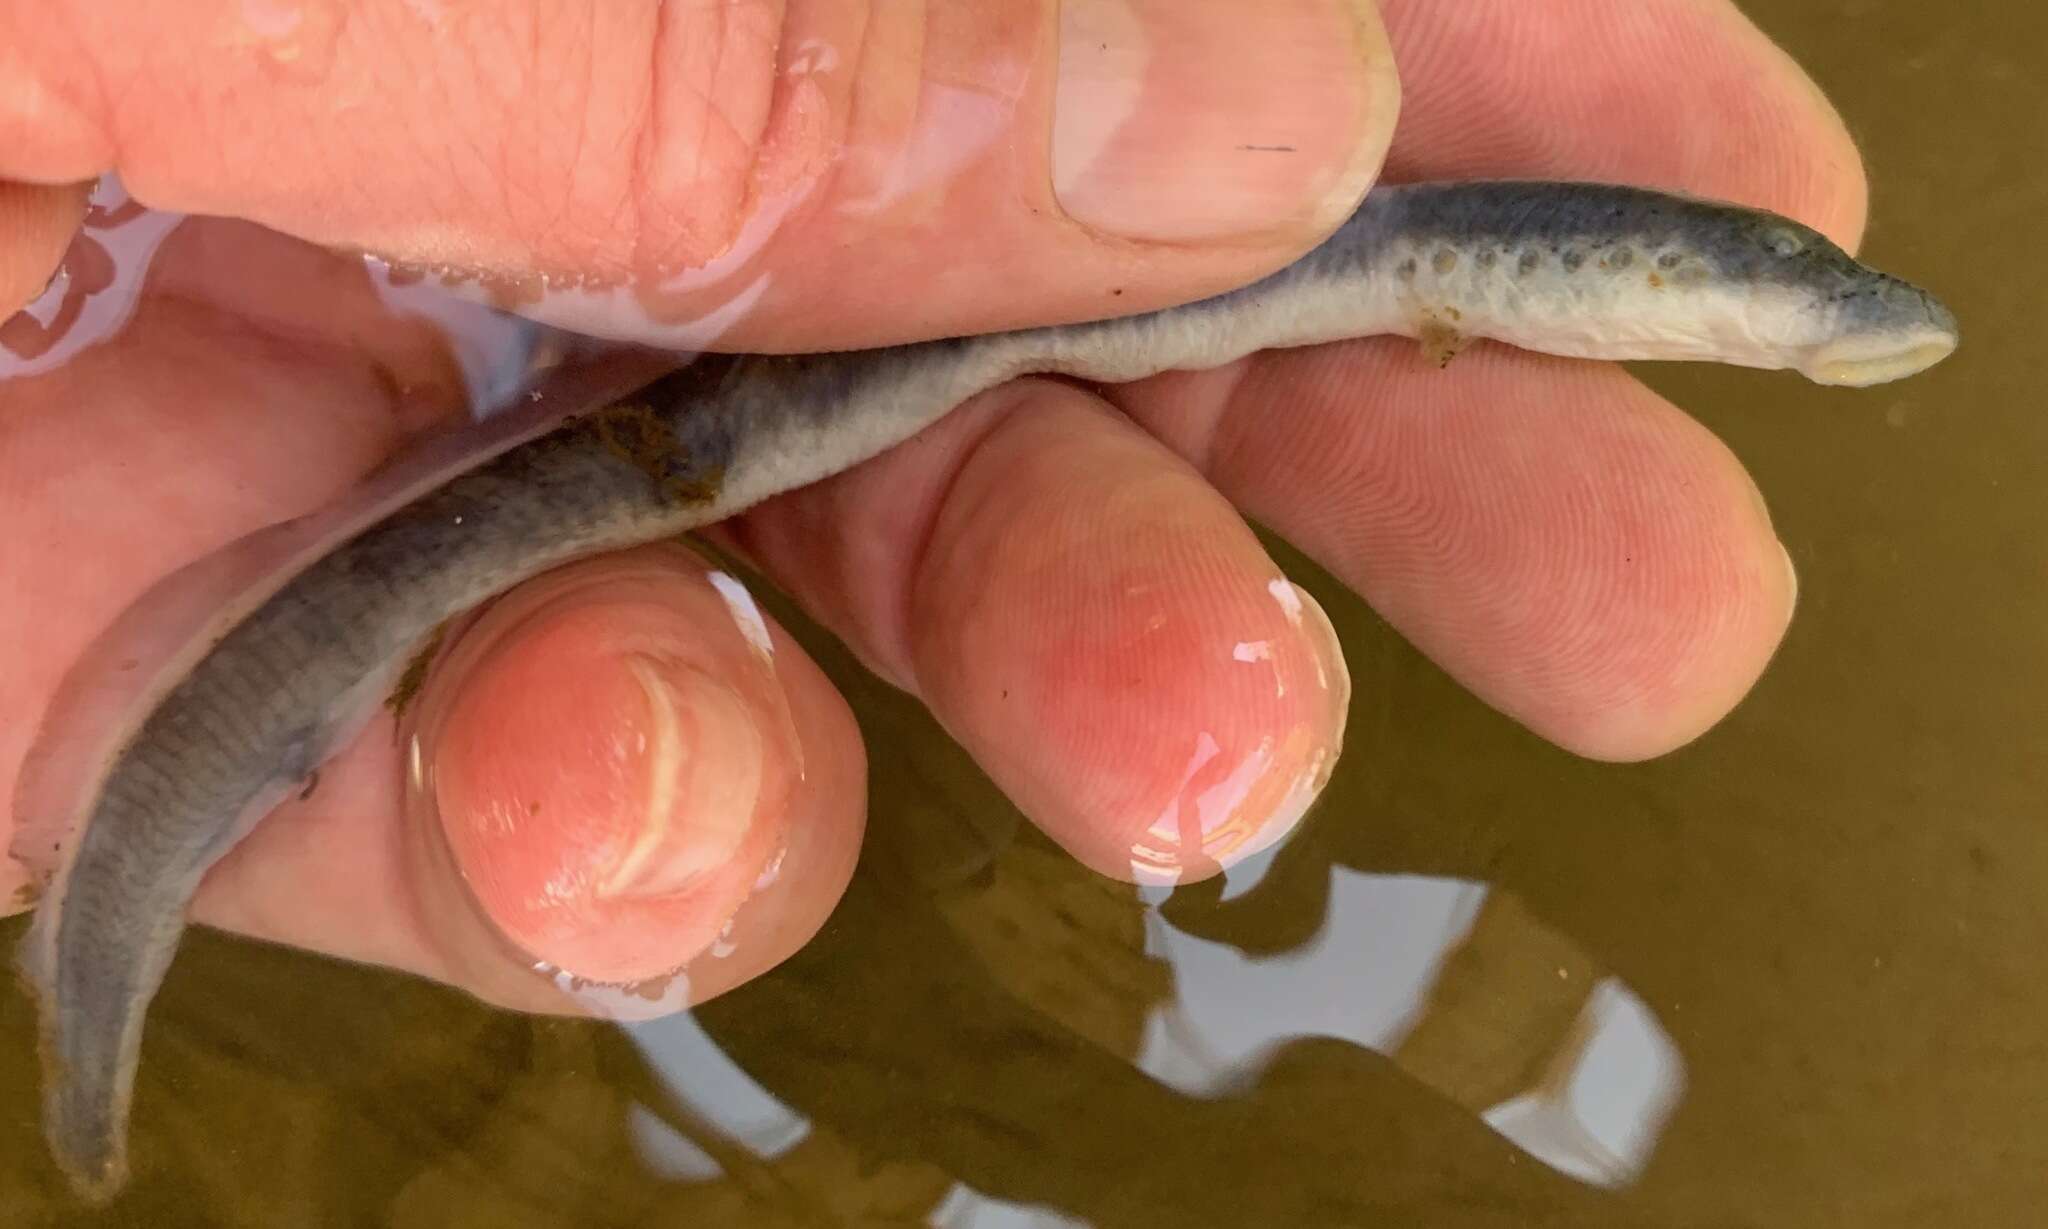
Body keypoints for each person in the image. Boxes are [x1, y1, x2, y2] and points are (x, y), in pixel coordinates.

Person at [0, 0, 1856, 1015]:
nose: (1801, 313)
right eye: (1763, 293)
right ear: (1644, 274)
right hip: (732, 387)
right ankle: (113, 918)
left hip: (694, 381)